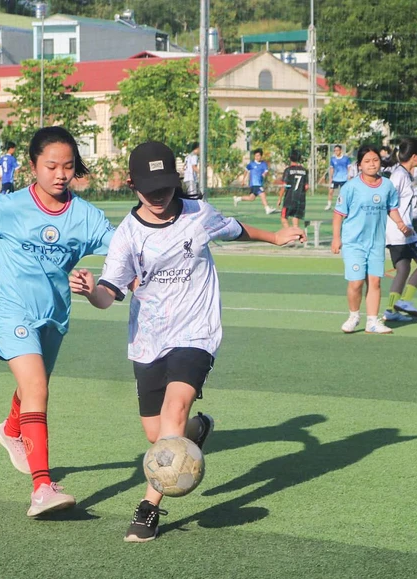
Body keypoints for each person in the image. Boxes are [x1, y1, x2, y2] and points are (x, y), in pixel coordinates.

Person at [69, 141, 305, 543]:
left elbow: (235, 228)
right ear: (131, 184)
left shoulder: (198, 214)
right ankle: (198, 430)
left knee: (173, 412)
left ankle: (148, 509)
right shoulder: (126, 235)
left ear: (177, 181)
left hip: (196, 332)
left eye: (166, 186)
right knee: (156, 434)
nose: (160, 195)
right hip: (148, 338)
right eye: (150, 188)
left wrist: (276, 236)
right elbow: (110, 293)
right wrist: (91, 291)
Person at [0, 126, 115, 518]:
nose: (60, 174)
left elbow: (123, 252)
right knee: (36, 385)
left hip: (53, 314)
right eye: (51, 165)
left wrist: (98, 283)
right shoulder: (8, 206)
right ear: (32, 166)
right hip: (11, 310)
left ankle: (10, 430)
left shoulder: (86, 217)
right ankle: (42, 487)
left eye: (68, 167)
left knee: (33, 386)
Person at [332, 144, 411, 335]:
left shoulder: (387, 185)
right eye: (367, 161)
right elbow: (338, 214)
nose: (372, 164)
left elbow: (392, 207)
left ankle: (373, 322)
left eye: (375, 160)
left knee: (374, 282)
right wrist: (336, 238)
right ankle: (353, 316)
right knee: (356, 282)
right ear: (359, 165)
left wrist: (400, 224)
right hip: (354, 243)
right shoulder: (351, 187)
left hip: (376, 243)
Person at [383, 138, 417, 322]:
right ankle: (405, 300)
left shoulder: (403, 173)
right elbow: (387, 200)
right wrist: (401, 224)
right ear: (414, 156)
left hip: (400, 230)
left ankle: (390, 309)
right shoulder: (399, 176)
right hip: (401, 232)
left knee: (403, 268)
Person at [234, 148, 275, 214]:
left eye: (258, 156)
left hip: (260, 183)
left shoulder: (263, 164)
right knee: (262, 194)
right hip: (254, 184)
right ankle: (267, 209)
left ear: (261, 156)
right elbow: (246, 171)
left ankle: (237, 198)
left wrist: (264, 174)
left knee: (251, 198)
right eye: (256, 156)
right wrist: (243, 180)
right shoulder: (251, 164)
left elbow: (266, 171)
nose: (257, 157)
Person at [280, 150, 308, 229]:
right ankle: (296, 235)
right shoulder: (304, 171)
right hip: (300, 198)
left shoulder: (288, 170)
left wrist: (279, 198)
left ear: (289, 158)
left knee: (284, 217)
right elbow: (306, 187)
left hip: (289, 198)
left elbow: (284, 185)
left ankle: (290, 235)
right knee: (295, 219)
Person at [325, 144, 351, 210]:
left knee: (343, 193)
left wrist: (349, 176)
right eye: (335, 150)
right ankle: (329, 205)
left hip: (344, 179)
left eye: (337, 150)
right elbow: (332, 168)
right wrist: (331, 177)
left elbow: (349, 168)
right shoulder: (333, 159)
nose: (336, 152)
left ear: (340, 150)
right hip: (335, 179)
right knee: (330, 191)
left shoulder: (346, 158)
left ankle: (343, 205)